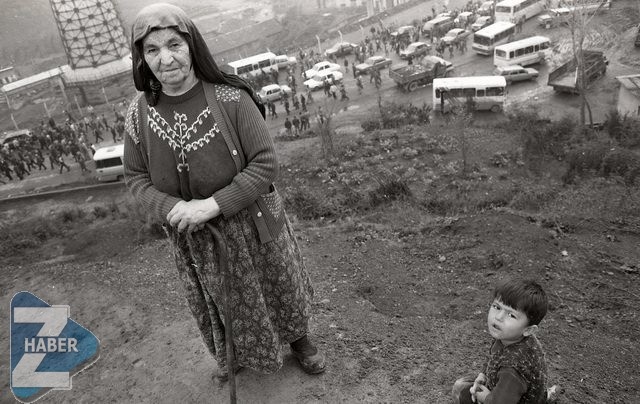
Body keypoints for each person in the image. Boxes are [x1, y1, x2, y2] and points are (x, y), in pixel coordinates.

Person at [123, 3, 325, 381]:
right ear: (141, 58)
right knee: (219, 301)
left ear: (192, 45)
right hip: (192, 235)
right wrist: (174, 208)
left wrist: (211, 206)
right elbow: (135, 177)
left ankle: (300, 341)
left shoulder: (231, 97)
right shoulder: (138, 114)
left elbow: (265, 163)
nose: (165, 58)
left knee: (277, 284)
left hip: (250, 222)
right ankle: (234, 355)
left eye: (174, 45)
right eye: (152, 50)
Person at [452, 279, 559, 404]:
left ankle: (543, 398)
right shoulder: (509, 335)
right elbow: (493, 355)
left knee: (460, 391)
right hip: (513, 390)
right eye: (497, 307)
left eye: (511, 315)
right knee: (462, 385)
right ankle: (545, 396)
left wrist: (486, 398)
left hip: (508, 398)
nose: (498, 317)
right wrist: (483, 374)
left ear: (529, 330)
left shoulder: (512, 369)